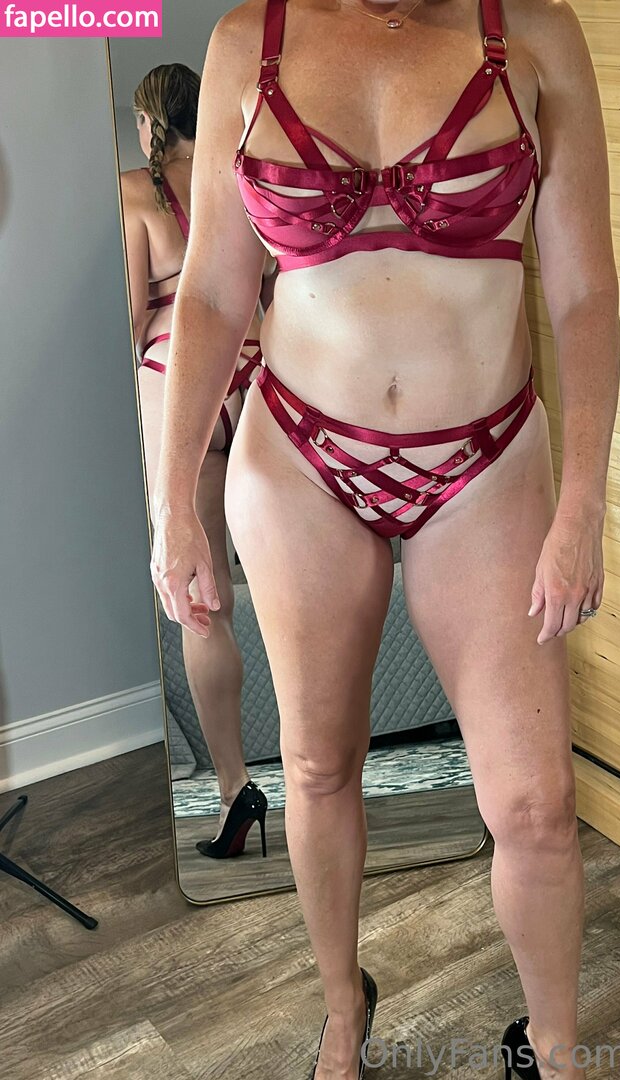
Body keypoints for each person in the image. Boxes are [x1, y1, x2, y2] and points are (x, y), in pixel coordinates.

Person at [150, 0, 620, 1076]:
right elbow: (215, 292)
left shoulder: (537, 33)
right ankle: (341, 1010)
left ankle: (556, 1049)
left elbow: (586, 291)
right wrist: (173, 499)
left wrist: (585, 503)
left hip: (488, 462)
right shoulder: (247, 42)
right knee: (318, 763)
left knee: (537, 804)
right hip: (300, 459)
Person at [121, 63, 277, 859]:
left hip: (177, 380)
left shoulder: (131, 194)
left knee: (200, 597)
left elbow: (129, 317)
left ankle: (232, 785)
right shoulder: (241, 176)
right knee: (294, 581)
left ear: (150, 124)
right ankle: (325, 768)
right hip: (257, 368)